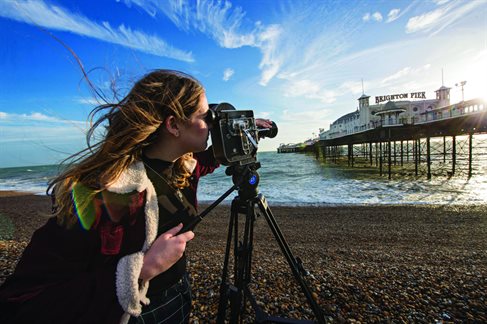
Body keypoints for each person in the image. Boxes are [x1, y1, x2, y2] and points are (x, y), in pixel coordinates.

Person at [0, 69, 210, 324]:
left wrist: (246, 129)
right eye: (205, 115)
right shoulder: (105, 192)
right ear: (174, 125)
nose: (211, 123)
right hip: (134, 311)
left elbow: (207, 160)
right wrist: (142, 269)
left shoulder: (182, 168)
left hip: (179, 294)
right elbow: (22, 300)